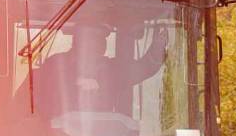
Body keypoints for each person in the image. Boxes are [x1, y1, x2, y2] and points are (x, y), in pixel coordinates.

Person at [32, 18, 169, 120]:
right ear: (79, 39)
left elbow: (141, 70)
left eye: (102, 38)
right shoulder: (54, 65)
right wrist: (77, 83)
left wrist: (157, 48)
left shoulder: (110, 68)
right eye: (95, 37)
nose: (101, 43)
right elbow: (34, 100)